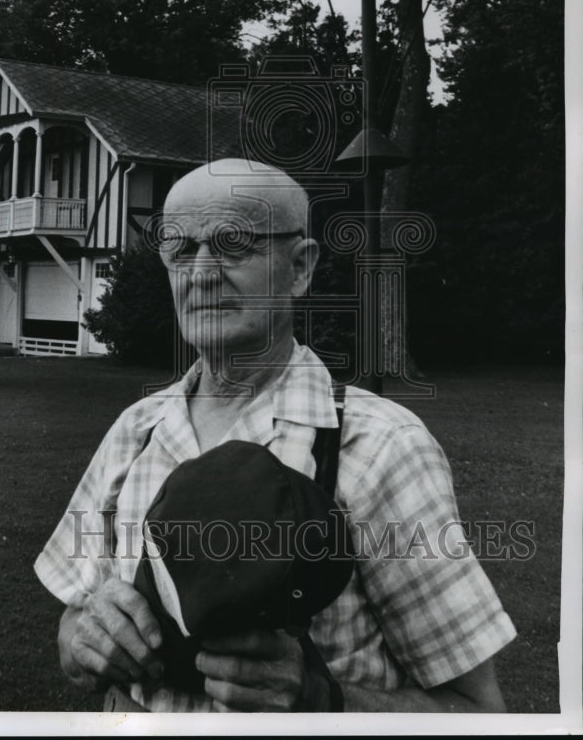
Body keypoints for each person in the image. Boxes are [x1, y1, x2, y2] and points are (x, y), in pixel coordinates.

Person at [34, 158, 516, 713]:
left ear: (300, 267)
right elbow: (72, 626)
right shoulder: (135, 431)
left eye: (234, 242)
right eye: (179, 247)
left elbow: (479, 713)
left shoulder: (382, 446)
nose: (202, 271)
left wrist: (319, 699)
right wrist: (85, 639)